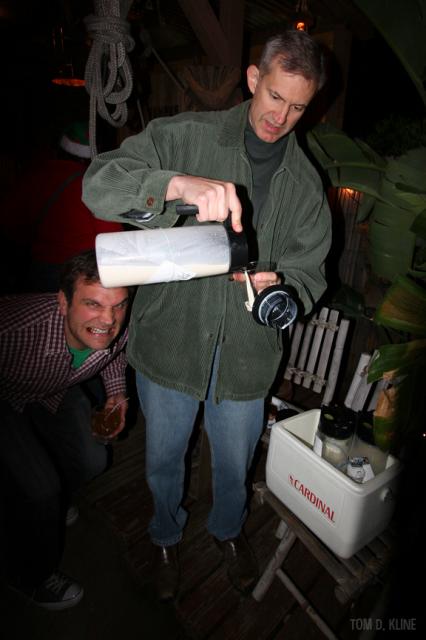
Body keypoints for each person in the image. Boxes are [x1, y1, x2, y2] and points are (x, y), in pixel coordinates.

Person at [82, 30, 332, 601]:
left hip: (247, 356)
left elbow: (312, 273)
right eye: (275, 96)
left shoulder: (307, 185)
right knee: (163, 458)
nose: (281, 117)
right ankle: (165, 535)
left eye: (297, 107)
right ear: (253, 79)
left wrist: (286, 288)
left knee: (234, 464)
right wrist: (174, 184)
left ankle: (227, 531)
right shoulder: (183, 136)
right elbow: (98, 185)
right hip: (171, 339)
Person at [0, 249, 131, 609]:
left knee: (93, 460)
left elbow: (116, 352)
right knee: (40, 487)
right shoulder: (13, 326)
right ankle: (29, 576)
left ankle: (48, 507)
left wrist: (115, 393)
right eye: (93, 304)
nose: (108, 319)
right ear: (63, 302)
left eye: (118, 305)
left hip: (54, 389)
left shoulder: (118, 323)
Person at [0, 121, 123, 294]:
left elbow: (8, 224)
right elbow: (113, 237)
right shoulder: (94, 184)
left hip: (40, 271)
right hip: (83, 272)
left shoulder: (33, 177)